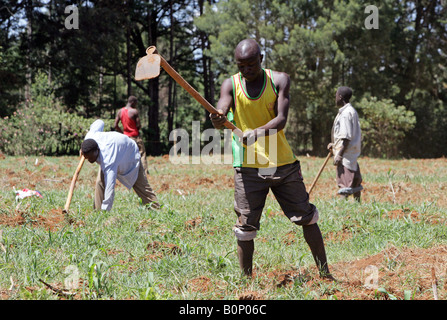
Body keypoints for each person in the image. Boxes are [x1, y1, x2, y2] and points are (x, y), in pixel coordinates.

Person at [210, 39, 333, 280]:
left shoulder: (279, 80)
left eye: (251, 65)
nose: (246, 70)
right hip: (247, 166)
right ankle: (247, 285)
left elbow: (281, 119)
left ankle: (325, 273)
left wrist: (255, 133)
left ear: (261, 59)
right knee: (245, 227)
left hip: (282, 163)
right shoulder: (231, 84)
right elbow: (222, 109)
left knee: (306, 217)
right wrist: (218, 118)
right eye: (241, 66)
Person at [81, 119, 159, 211]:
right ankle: (97, 212)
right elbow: (100, 122)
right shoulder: (90, 137)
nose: (89, 160)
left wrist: (106, 210)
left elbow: (110, 188)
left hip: (130, 155)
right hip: (115, 150)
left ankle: (156, 209)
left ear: (97, 150)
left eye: (90, 158)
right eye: (86, 157)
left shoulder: (108, 159)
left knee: (141, 186)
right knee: (100, 182)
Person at [327, 86, 363, 202]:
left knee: (344, 183)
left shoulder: (346, 113)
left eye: (336, 96)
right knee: (355, 181)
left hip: (346, 154)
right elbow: (344, 135)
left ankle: (343, 208)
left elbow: (346, 137)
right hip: (350, 152)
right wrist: (333, 144)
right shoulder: (350, 111)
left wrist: (339, 155)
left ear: (340, 97)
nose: (335, 98)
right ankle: (358, 205)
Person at [114, 96, 148, 176]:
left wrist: (123, 132)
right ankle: (144, 173)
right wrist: (137, 128)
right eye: (136, 103)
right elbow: (138, 125)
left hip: (125, 138)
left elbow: (116, 125)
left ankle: (125, 173)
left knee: (126, 156)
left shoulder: (120, 111)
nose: (136, 105)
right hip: (135, 137)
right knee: (142, 154)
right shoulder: (134, 111)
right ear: (132, 102)